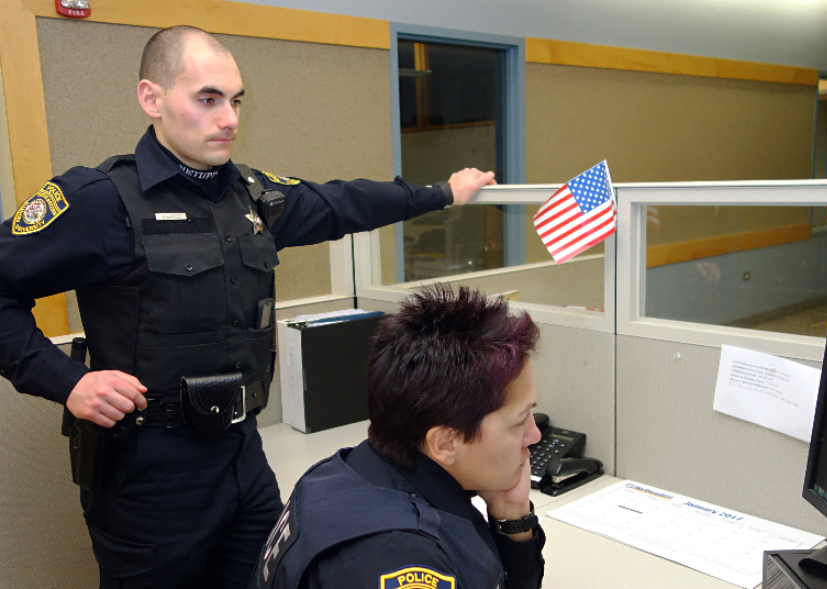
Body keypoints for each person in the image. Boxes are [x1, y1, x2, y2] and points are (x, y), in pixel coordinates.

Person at [0, 25, 495, 589]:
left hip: (242, 460)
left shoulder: (253, 197)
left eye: (235, 100)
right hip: (149, 480)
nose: (230, 118)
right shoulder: (99, 202)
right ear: (151, 98)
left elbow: (343, 202)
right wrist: (67, 381)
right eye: (207, 99)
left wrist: (442, 194)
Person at [253, 284, 545, 589]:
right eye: (520, 420)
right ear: (445, 443)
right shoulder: (399, 559)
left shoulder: (348, 472)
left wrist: (512, 516)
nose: (535, 435)